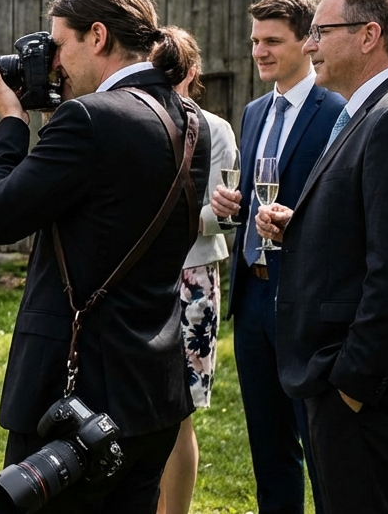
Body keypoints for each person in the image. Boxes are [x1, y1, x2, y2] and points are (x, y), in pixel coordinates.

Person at [0, 0, 211, 513]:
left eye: (58, 44)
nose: (52, 61)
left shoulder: (89, 119)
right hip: (152, 389)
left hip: (75, 399)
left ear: (97, 36)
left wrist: (12, 123)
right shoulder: (190, 121)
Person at [256, 0, 388, 514]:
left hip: (366, 391)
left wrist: (352, 384)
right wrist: (299, 225)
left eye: (322, 30)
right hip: (349, 381)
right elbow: (369, 225)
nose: (311, 44)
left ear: (369, 35)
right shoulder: (372, 109)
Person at [209, 0, 340, 514]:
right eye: (254, 41)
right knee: (269, 446)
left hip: (306, 300)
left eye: (272, 41)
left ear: (309, 42)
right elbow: (258, 199)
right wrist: (230, 204)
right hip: (254, 298)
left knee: (322, 445)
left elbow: (338, 205)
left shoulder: (338, 110)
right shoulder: (255, 111)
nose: (259, 51)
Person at [153, 28, 237, 514]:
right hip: (136, 278)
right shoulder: (132, 124)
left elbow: (222, 215)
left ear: (191, 74)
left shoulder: (216, 130)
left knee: (179, 411)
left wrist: (163, 218)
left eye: (170, 72)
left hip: (192, 280)